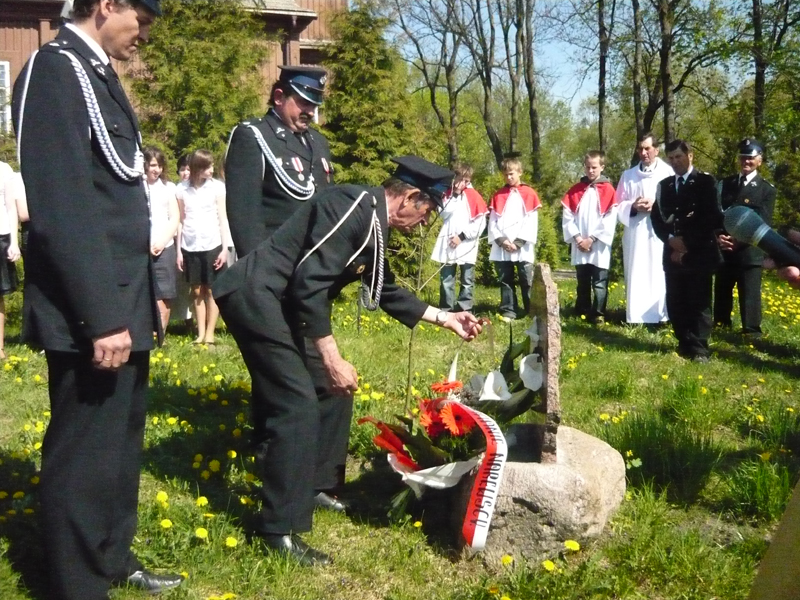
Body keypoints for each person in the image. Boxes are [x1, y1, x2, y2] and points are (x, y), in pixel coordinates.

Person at [213, 155, 483, 566]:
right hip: (256, 296)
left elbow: (385, 287)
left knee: (333, 391)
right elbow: (309, 283)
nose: (425, 223)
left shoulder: (372, 221)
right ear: (410, 197)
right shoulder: (353, 206)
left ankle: (315, 486)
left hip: (281, 304)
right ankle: (277, 529)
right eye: (427, 211)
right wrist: (331, 355)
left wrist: (446, 318)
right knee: (297, 404)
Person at [11, 0, 183, 597]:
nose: (145, 32)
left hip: (123, 296)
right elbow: (61, 207)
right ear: (108, 4)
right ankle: (74, 583)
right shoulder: (53, 70)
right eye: (144, 16)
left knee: (119, 443)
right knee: (85, 452)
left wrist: (138, 305)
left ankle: (109, 556)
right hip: (93, 308)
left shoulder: (96, 74)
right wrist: (102, 315)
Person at [225, 65, 350, 510]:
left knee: (326, 376)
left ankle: (318, 477)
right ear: (279, 96)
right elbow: (245, 218)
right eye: (303, 103)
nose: (310, 114)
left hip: (310, 282)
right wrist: (263, 283)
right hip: (271, 280)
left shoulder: (317, 144)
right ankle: (275, 461)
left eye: (315, 105)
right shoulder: (252, 137)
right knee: (280, 379)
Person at [651, 140, 723, 363]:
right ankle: (683, 342)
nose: (674, 162)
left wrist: (687, 244)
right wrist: (671, 240)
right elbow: (657, 218)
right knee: (676, 300)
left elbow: (710, 217)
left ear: (690, 155)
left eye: (678, 157)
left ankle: (699, 348)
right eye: (671, 158)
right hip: (672, 253)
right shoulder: (665, 186)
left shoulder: (705, 182)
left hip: (699, 252)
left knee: (698, 301)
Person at [714, 138, 776, 336]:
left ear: (760, 160)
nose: (745, 162)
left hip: (749, 250)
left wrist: (738, 241)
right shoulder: (725, 184)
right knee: (722, 291)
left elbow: (763, 221)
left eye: (750, 158)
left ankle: (751, 332)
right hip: (724, 249)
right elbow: (716, 214)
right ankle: (721, 327)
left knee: (750, 294)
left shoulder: (767, 189)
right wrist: (719, 237)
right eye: (742, 157)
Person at [615, 132, 674, 324]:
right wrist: (633, 206)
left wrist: (656, 205)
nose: (643, 152)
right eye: (640, 148)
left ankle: (660, 316)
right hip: (636, 232)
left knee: (658, 271)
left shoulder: (668, 172)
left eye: (647, 148)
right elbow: (617, 205)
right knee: (636, 271)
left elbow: (676, 203)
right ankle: (635, 316)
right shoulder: (628, 175)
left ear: (656, 150)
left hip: (659, 232)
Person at [177, 149, 228, 346]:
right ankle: (200, 333)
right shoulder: (181, 190)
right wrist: (179, 251)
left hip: (212, 243)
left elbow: (222, 218)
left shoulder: (217, 188)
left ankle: (210, 333)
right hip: (190, 245)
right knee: (197, 290)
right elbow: (181, 220)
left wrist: (224, 249)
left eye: (212, 166)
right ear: (198, 168)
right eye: (207, 167)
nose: (211, 170)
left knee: (212, 290)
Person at [561, 150, 618, 325]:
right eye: (588, 167)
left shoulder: (608, 189)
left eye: (594, 167)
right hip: (580, 243)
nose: (591, 171)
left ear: (602, 167)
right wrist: (578, 239)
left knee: (599, 281)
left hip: (598, 244)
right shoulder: (576, 190)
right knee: (582, 280)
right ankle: (582, 309)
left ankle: (598, 312)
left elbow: (610, 218)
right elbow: (568, 215)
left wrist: (591, 239)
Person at [430, 162, 488, 313]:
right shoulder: (447, 194)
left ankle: (464, 309)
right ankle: (446, 309)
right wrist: (455, 194)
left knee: (467, 280)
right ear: (454, 178)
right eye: (460, 179)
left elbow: (480, 223)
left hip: (466, 244)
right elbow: (444, 214)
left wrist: (462, 236)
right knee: (446, 279)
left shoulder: (474, 196)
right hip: (448, 241)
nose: (463, 183)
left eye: (466, 181)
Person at [488, 157, 540, 321]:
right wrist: (502, 240)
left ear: (519, 172)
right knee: (506, 279)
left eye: (511, 174)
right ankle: (508, 309)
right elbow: (493, 222)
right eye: (505, 175)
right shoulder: (498, 195)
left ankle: (531, 309)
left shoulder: (529, 194)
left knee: (527, 279)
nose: (508, 177)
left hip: (521, 246)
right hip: (502, 246)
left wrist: (518, 242)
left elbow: (531, 221)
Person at [144, 147, 179, 335]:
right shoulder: (137, 187)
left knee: (164, 295)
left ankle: (160, 336)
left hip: (164, 247)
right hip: (142, 247)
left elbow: (175, 218)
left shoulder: (168, 188)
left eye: (158, 166)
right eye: (152, 165)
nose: (155, 170)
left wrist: (162, 241)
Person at [0, 160, 21, 360]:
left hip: (1, 235)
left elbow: (11, 208)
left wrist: (14, 242)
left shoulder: (4, 169)